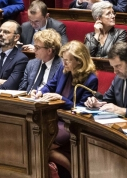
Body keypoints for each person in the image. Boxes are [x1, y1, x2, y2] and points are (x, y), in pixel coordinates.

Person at [32, 40, 98, 175]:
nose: (64, 63)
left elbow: (82, 108)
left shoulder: (90, 79)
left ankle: (74, 171)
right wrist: (40, 91)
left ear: (79, 61)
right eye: (63, 59)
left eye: (68, 60)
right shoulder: (63, 71)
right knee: (34, 137)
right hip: (53, 117)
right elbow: (50, 85)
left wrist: (61, 99)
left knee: (42, 145)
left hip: (70, 121)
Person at [19, 29, 63, 93]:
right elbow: (22, 88)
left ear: (49, 51)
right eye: (34, 47)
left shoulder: (61, 66)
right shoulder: (31, 63)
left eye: (37, 47)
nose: (34, 50)